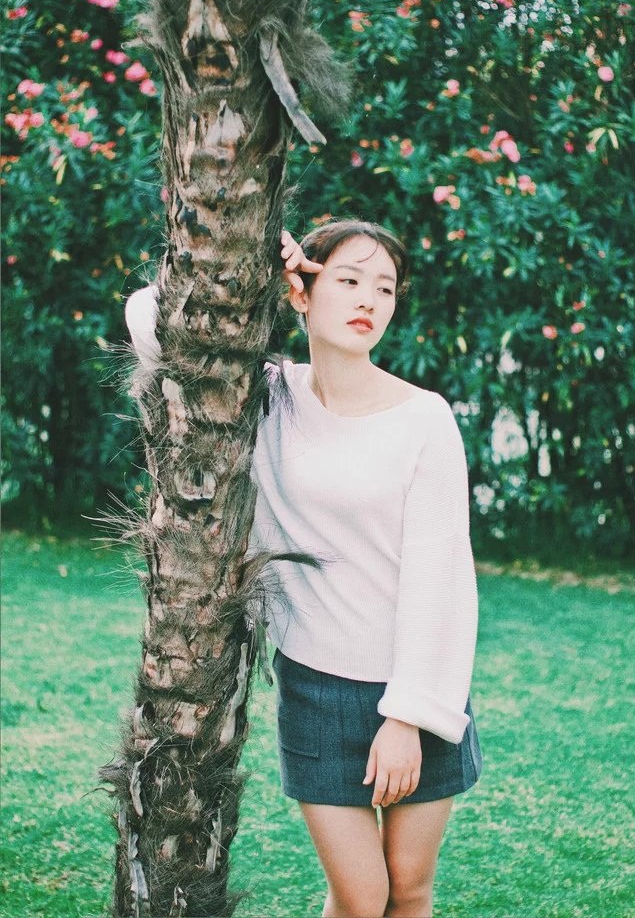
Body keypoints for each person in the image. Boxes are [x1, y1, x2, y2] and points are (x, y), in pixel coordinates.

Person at [125, 219, 483, 918]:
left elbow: (439, 580)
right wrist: (260, 265)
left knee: (409, 889)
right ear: (302, 293)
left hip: (421, 686)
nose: (368, 300)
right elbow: (149, 323)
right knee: (361, 895)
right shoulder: (264, 397)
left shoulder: (425, 419)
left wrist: (407, 718)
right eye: (347, 280)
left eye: (385, 288)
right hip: (317, 683)